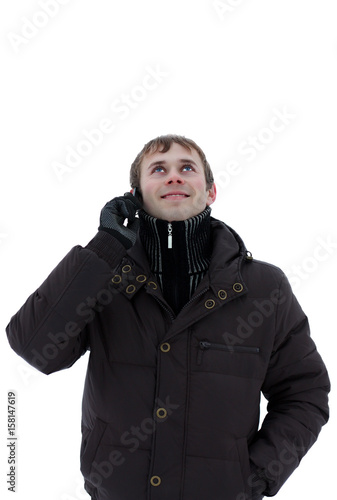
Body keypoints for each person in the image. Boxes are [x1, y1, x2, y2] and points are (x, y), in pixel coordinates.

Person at [6, 134, 330, 500]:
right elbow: (36, 348)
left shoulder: (263, 288)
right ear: (135, 196)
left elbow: (306, 392)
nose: (173, 177)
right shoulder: (102, 278)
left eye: (186, 168)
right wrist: (106, 244)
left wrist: (254, 477)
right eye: (158, 169)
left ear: (210, 192)